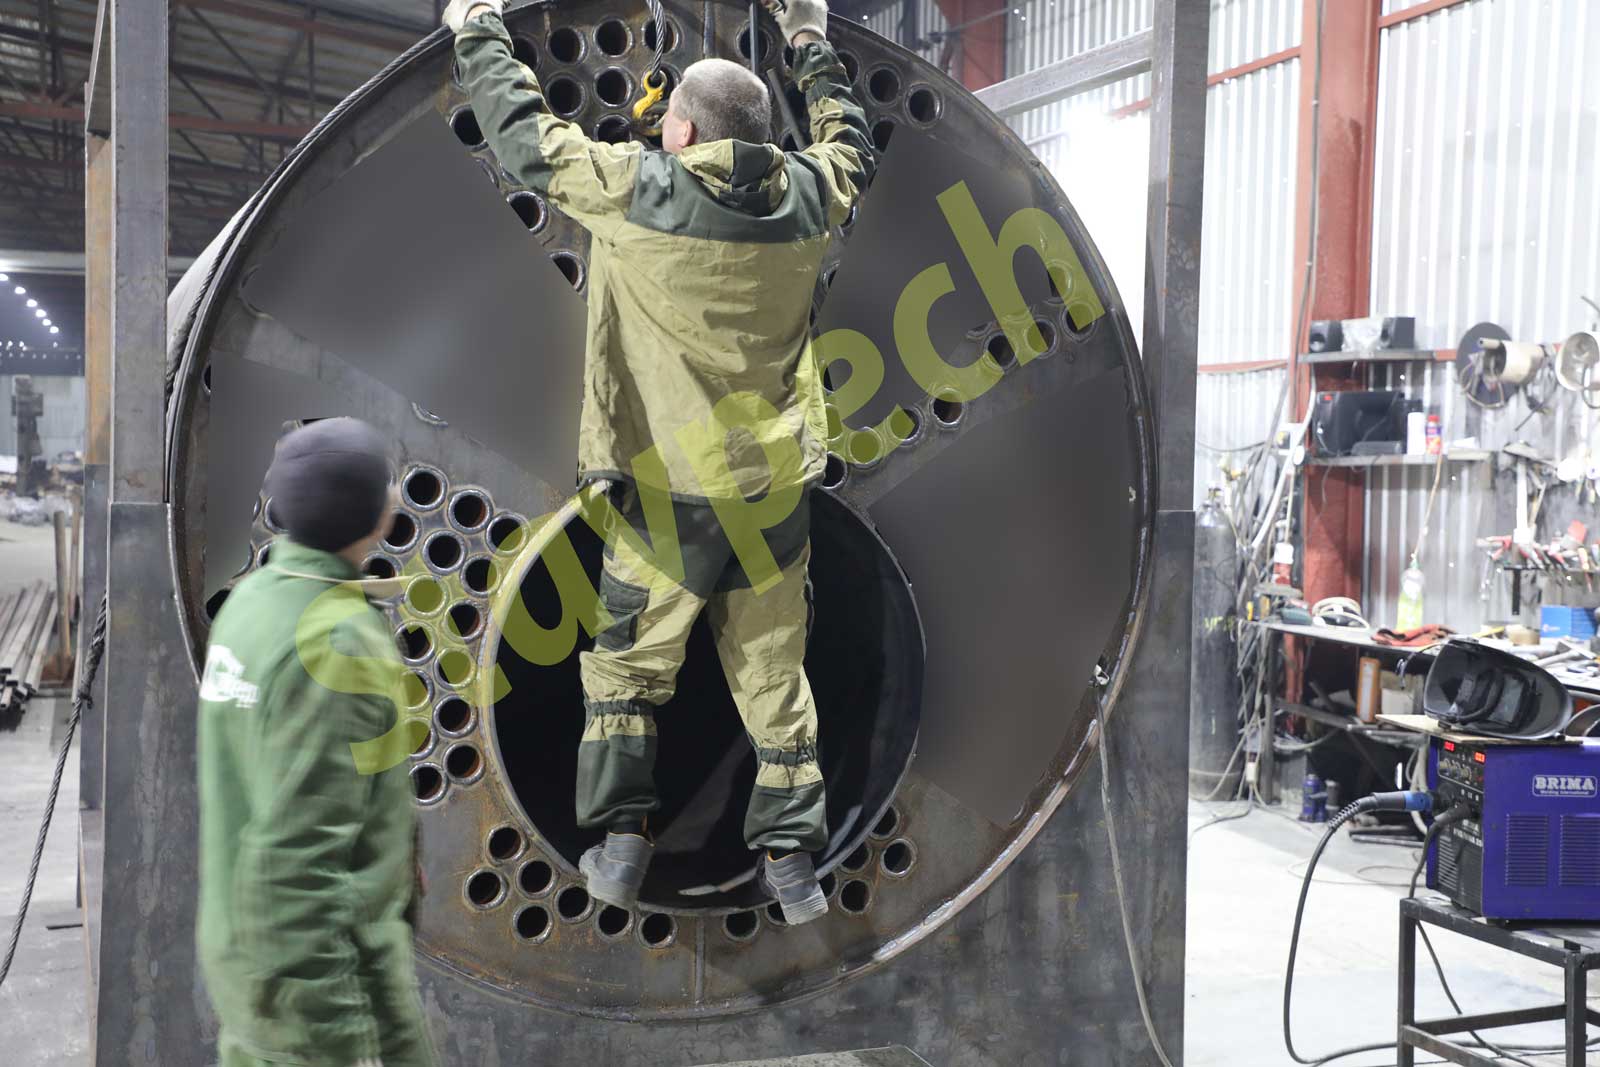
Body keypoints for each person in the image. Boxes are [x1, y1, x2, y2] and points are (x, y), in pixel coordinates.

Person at [446, 0, 875, 922]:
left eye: (671, 118)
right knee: (773, 671)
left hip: (669, 495)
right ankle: (791, 859)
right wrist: (809, 38)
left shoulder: (636, 190)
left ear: (679, 131)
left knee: (629, 669)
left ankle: (621, 845)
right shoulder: (812, 194)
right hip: (771, 489)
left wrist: (476, 24)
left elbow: (522, 139)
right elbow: (851, 141)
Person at [197, 418, 437, 1067]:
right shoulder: (333, 644)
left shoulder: (251, 603)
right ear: (379, 515)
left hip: (245, 957)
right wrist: (341, 1037)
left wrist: (390, 843)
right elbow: (297, 867)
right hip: (325, 988)